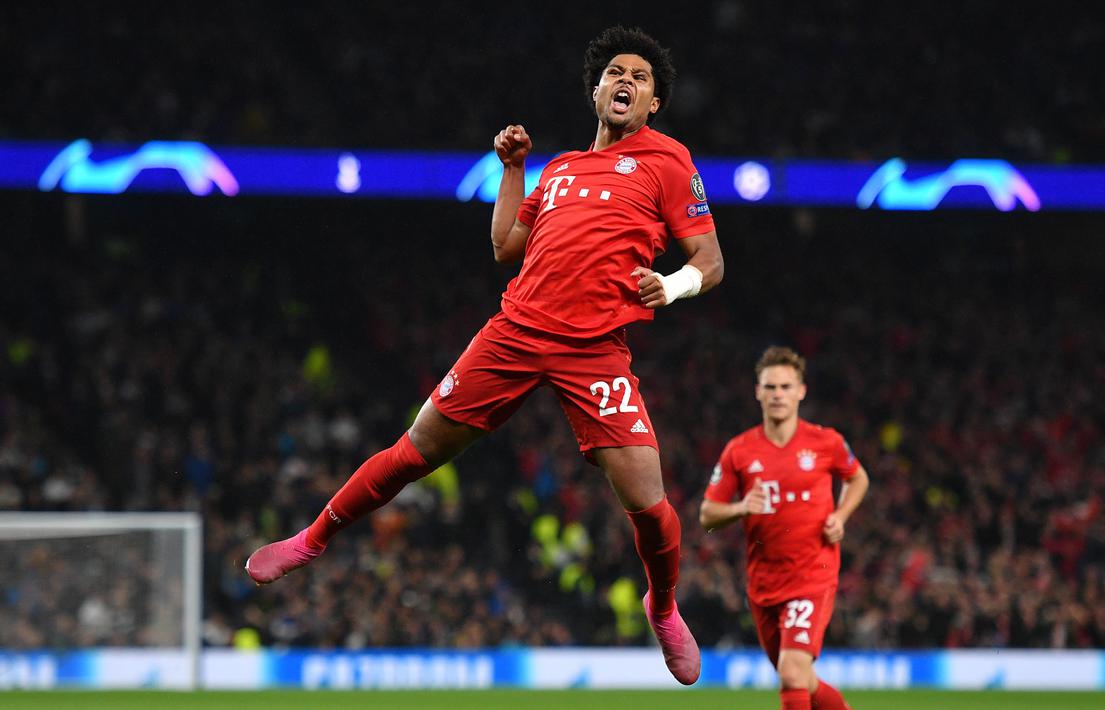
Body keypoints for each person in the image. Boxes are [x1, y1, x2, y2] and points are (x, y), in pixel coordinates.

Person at [245, 26, 723, 685]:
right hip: (515, 332)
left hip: (593, 351)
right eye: (615, 71)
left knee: (647, 502)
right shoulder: (557, 170)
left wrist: (668, 286)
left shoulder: (668, 161)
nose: (625, 81)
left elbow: (711, 261)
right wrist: (512, 168)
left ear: (654, 102)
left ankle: (663, 606)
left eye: (640, 77)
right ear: (594, 89)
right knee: (414, 453)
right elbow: (505, 246)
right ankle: (312, 539)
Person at [701, 347, 868, 709]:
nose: (778, 394)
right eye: (771, 387)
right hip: (764, 582)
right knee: (801, 679)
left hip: (812, 574)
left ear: (801, 391)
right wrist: (741, 507)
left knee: (792, 672)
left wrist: (840, 515)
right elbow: (707, 514)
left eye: (786, 387)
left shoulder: (826, 442)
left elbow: (858, 479)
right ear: (757, 392)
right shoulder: (739, 451)